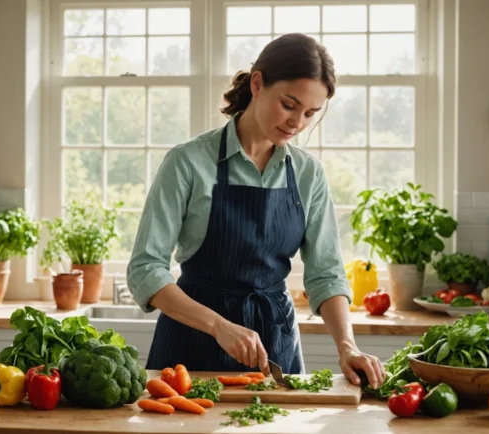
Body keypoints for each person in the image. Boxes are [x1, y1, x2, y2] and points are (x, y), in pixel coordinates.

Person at [126, 33, 385, 389]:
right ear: (258, 83)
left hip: (274, 342)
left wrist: (347, 346)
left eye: (310, 113)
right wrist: (219, 326)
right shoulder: (188, 162)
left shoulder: (308, 174)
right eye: (289, 105)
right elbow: (145, 269)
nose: (297, 122)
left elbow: (326, 274)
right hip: (190, 343)